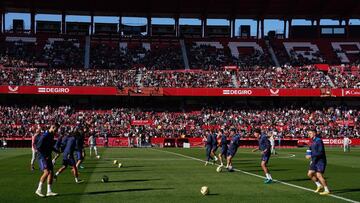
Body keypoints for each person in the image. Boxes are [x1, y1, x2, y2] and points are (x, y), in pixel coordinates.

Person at [35, 124, 60, 197]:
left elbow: (51, 146)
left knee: (51, 172)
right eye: (56, 129)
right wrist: (44, 156)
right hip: (42, 157)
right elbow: (38, 147)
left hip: (48, 156)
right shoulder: (45, 135)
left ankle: (49, 191)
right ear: (52, 127)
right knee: (47, 172)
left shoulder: (51, 135)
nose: (57, 131)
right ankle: (38, 189)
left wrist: (56, 151)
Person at [306, 128, 330, 195]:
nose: (309, 134)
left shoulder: (319, 141)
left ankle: (326, 189)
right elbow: (309, 149)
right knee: (309, 174)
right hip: (314, 160)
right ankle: (319, 185)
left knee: (319, 175)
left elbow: (320, 152)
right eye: (308, 133)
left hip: (320, 161)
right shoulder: (312, 141)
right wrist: (307, 154)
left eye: (310, 133)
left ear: (314, 133)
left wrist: (311, 156)